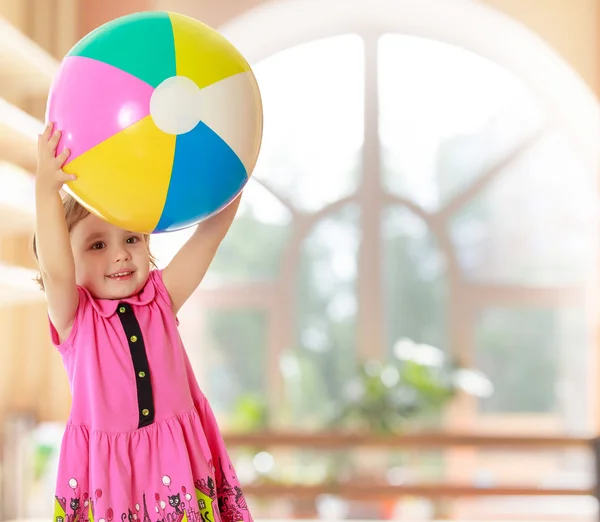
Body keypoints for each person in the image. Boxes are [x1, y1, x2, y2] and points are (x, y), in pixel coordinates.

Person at [34, 122, 252, 522]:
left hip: (178, 460)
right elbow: (55, 271)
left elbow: (207, 238)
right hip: (111, 475)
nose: (120, 255)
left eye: (131, 239)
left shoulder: (160, 299)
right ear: (71, 257)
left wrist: (236, 171)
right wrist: (46, 191)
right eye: (97, 244)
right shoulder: (74, 317)